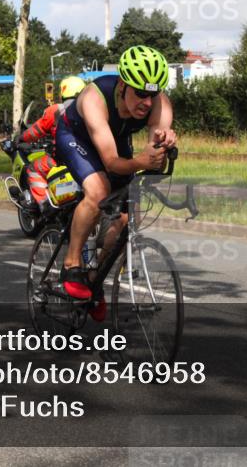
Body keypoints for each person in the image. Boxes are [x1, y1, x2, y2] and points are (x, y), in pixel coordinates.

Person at [55, 45, 177, 320]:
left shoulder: (159, 103)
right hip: (76, 137)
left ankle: (94, 279)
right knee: (99, 191)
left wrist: (162, 146)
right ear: (122, 85)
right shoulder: (94, 99)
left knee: (127, 216)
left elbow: (153, 144)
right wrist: (142, 162)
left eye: (152, 94)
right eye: (140, 93)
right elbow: (110, 162)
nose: (147, 102)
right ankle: (72, 263)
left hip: (115, 138)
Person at [20, 76, 87, 207]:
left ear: (63, 91)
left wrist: (21, 138)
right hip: (86, 159)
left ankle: (44, 204)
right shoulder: (90, 108)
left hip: (60, 160)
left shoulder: (56, 110)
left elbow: (36, 131)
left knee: (33, 169)